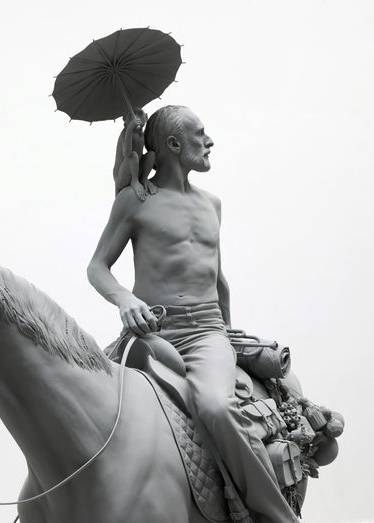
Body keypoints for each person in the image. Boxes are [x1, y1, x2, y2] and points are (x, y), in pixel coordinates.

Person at [87, 105, 299, 523]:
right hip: (152, 335)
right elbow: (97, 267)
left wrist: (229, 338)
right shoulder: (134, 200)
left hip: (206, 334)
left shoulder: (213, 205)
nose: (209, 141)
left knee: (218, 408)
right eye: (200, 134)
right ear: (173, 145)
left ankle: (276, 516)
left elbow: (218, 279)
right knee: (87, 407)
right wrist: (126, 300)